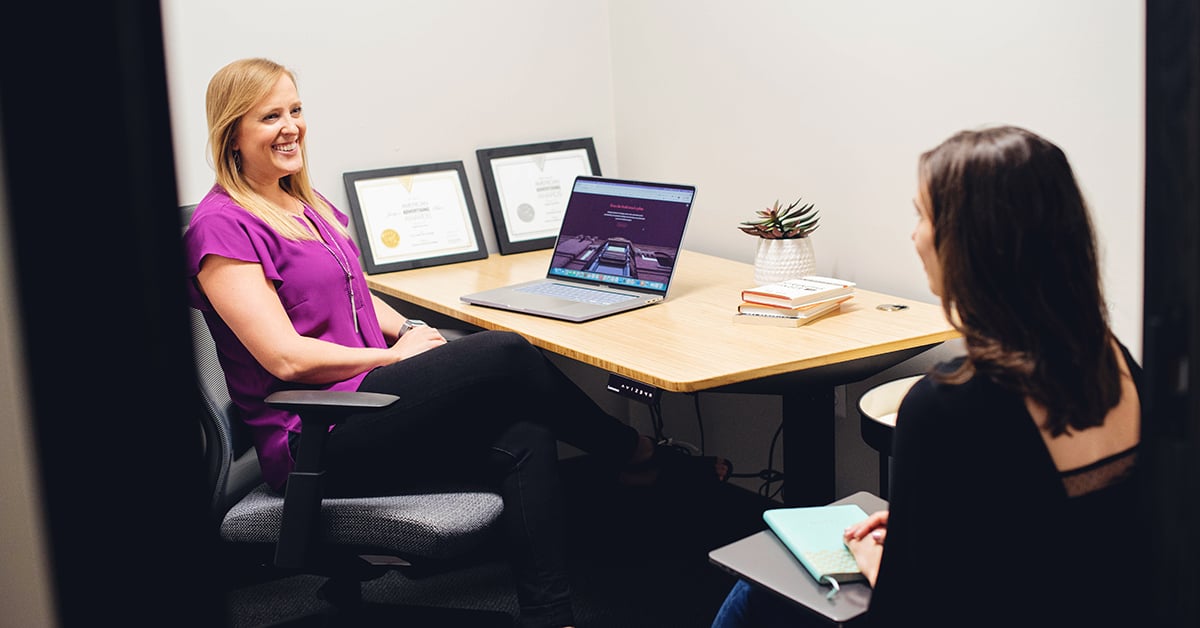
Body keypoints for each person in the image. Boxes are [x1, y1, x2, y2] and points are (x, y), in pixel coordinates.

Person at [184, 57, 727, 628]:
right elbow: (284, 357)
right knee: (507, 351)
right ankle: (636, 453)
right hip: (318, 433)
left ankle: (552, 616)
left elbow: (353, 294)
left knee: (525, 433)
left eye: (296, 110)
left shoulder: (301, 203)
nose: (291, 126)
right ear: (234, 132)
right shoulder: (222, 226)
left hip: (370, 402)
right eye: (271, 116)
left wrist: (411, 330)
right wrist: (395, 357)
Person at [712, 125, 1143, 627]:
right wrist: (931, 526)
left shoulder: (948, 403)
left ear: (971, 243)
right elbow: (1056, 522)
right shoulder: (1115, 361)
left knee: (752, 595)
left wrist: (880, 564)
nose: (913, 235)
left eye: (922, 215)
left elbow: (910, 611)